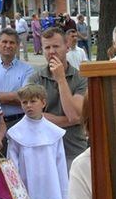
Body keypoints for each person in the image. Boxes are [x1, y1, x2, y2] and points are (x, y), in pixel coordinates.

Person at [6, 84, 68, 199]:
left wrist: (63, 196)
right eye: (24, 102)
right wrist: (16, 197)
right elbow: (12, 168)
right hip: (28, 192)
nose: (28, 106)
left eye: (33, 101)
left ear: (43, 103)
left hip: (49, 190)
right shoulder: (16, 133)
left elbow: (60, 165)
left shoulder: (54, 132)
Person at [24, 27, 88, 167]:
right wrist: (70, 121)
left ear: (67, 47)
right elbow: (32, 115)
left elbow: (74, 115)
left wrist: (61, 79)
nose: (51, 51)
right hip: (43, 149)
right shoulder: (35, 79)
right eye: (47, 47)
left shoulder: (81, 78)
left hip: (73, 150)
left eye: (56, 46)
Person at [0, 28, 35, 134]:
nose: (8, 45)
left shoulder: (27, 69)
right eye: (4, 42)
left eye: (12, 42)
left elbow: (26, 98)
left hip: (20, 122)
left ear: (17, 46)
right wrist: (15, 97)